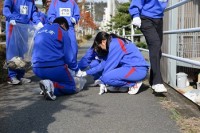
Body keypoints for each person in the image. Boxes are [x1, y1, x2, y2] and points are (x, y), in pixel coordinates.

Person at [77, 31, 149, 95]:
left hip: (136, 69)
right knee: (105, 76)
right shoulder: (114, 42)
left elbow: (108, 66)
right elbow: (104, 64)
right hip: (132, 68)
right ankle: (120, 86)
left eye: (100, 46)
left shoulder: (114, 44)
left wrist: (102, 81)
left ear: (103, 42)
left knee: (106, 78)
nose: (101, 48)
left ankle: (133, 84)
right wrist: (86, 73)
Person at [32, 17, 85, 101]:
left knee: (56, 79)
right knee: (72, 87)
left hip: (37, 68)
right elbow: (69, 57)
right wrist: (76, 69)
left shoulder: (40, 30)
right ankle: (52, 86)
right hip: (54, 68)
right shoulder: (62, 31)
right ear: (63, 25)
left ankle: (47, 88)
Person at [129, 0, 168, 93]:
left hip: (159, 19)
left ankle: (153, 80)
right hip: (145, 18)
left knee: (157, 50)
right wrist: (135, 15)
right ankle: (157, 82)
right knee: (155, 44)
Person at [3, 0, 44, 85]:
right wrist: (10, 17)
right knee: (13, 51)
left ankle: (20, 76)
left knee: (22, 51)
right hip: (13, 25)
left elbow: (33, 12)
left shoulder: (30, 1)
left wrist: (38, 21)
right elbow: (6, 8)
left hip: (24, 27)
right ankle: (12, 76)